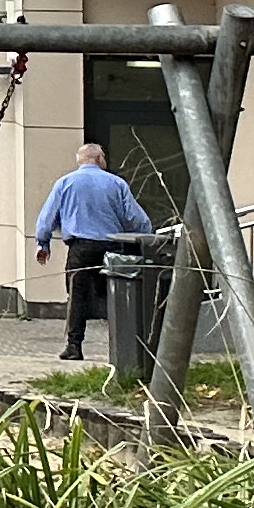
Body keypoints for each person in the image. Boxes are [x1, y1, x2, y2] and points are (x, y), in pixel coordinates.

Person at [32, 142, 151, 364]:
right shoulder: (117, 183)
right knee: (116, 295)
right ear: (98, 158)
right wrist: (144, 237)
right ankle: (121, 347)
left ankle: (74, 345)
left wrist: (43, 243)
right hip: (112, 246)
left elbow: (47, 217)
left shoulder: (65, 183)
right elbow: (136, 218)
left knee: (76, 297)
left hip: (81, 248)